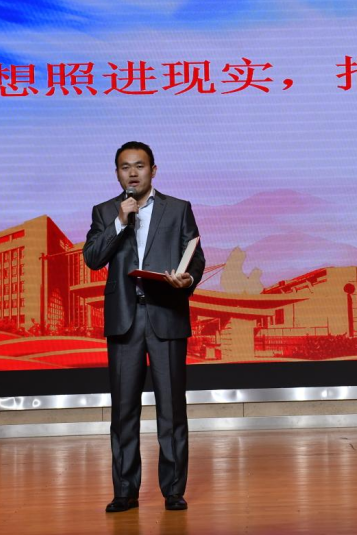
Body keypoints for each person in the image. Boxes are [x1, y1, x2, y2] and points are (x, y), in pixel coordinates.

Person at [83, 141, 205, 512]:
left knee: (172, 408)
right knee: (123, 411)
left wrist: (188, 279)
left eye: (139, 166)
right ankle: (125, 491)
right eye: (125, 167)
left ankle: (173, 490)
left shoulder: (178, 208)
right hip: (125, 319)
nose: (133, 173)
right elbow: (93, 258)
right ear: (117, 173)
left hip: (166, 314)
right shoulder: (106, 211)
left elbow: (195, 258)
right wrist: (120, 222)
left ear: (153, 170)